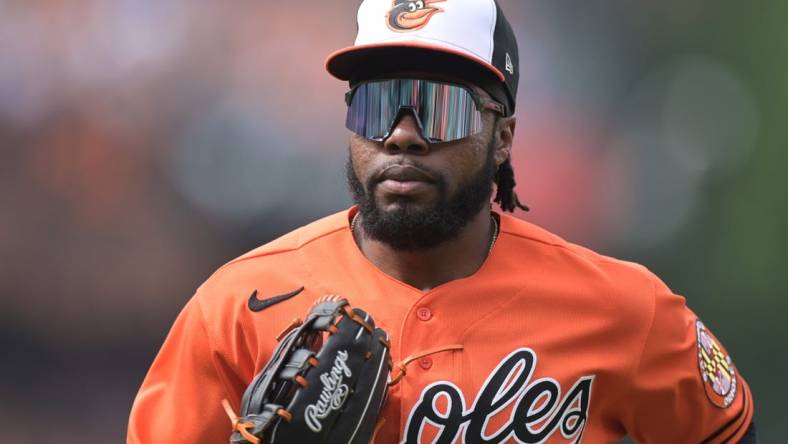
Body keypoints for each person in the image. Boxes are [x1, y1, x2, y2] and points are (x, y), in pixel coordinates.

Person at [128, 0, 757, 442]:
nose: (402, 135)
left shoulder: (624, 310)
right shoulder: (239, 308)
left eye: (439, 107)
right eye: (375, 104)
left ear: (503, 138)